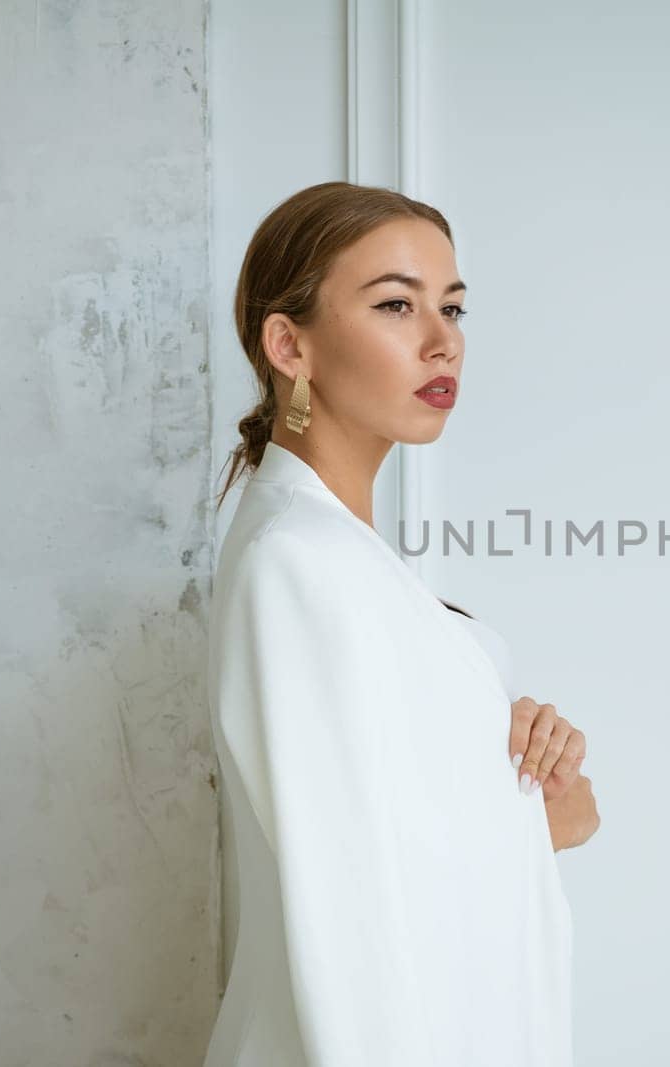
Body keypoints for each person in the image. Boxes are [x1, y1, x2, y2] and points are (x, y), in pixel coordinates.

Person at [203, 181, 600, 1066]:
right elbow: (345, 890)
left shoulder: (346, 558)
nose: (442, 338)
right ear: (289, 343)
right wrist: (547, 814)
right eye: (395, 303)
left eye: (453, 306)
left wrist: (537, 761)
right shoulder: (297, 562)